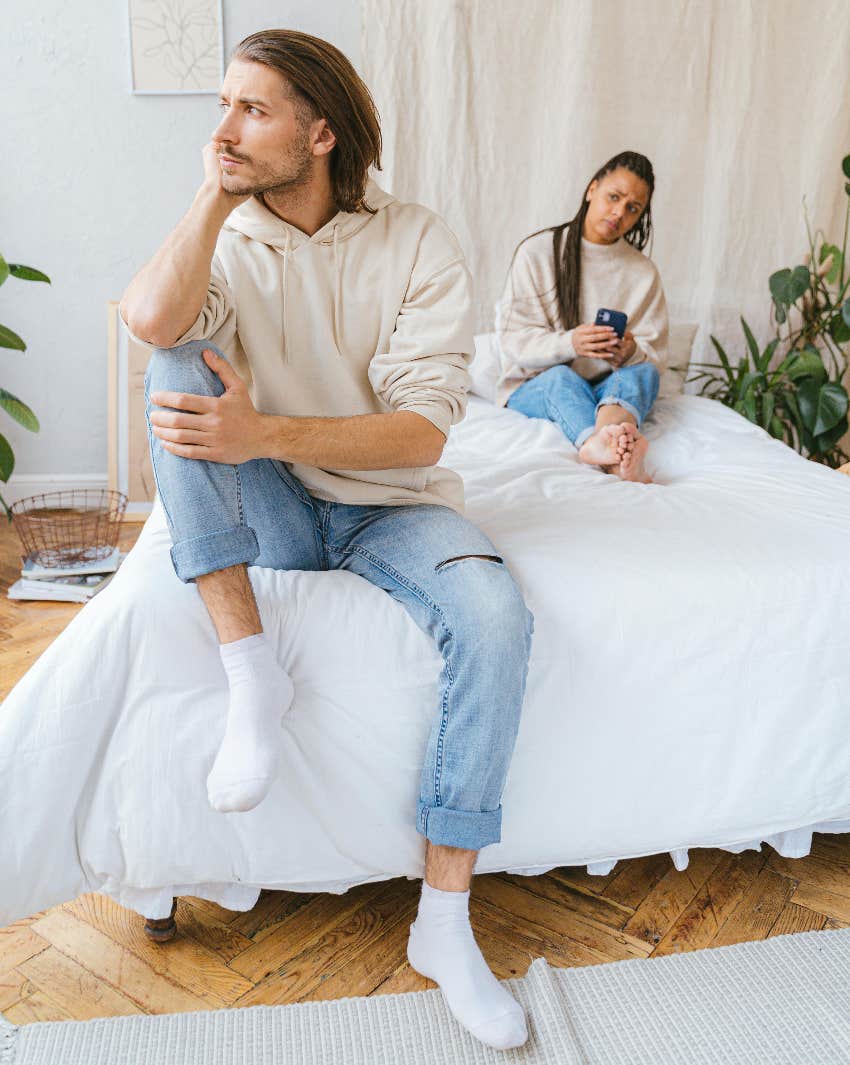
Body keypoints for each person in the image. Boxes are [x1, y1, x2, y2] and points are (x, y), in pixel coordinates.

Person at [120, 29, 532, 1052]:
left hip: (393, 503)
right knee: (173, 361)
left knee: (494, 614)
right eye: (223, 105)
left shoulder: (418, 241)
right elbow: (150, 318)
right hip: (276, 507)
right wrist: (215, 197)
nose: (223, 128)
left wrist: (263, 430)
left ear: (318, 134)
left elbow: (425, 429)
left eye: (249, 110)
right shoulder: (229, 235)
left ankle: (444, 920)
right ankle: (250, 669)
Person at [497, 150, 669, 483]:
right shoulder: (538, 252)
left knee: (641, 372)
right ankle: (602, 446)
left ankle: (612, 448)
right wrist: (571, 342)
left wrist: (629, 352)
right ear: (592, 190)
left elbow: (655, 356)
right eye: (613, 197)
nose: (619, 212)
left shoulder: (643, 272)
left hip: (606, 387)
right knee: (563, 379)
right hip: (536, 381)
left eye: (633, 208)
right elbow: (512, 340)